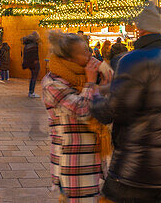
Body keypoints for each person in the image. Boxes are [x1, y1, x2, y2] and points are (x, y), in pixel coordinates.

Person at [89, 3, 161, 202]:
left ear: (139, 28)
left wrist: (93, 95)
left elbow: (113, 111)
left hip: (136, 168)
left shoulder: (134, 60)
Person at [42, 31, 111, 201]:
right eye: (84, 53)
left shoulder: (79, 77)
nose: (90, 55)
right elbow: (83, 111)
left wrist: (104, 83)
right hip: (72, 162)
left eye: (88, 50)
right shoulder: (52, 83)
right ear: (70, 59)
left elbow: (100, 104)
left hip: (90, 159)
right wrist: (90, 81)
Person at [22, 31, 42, 98]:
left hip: (29, 63)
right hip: (34, 63)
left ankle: (31, 91)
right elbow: (35, 55)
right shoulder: (34, 45)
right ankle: (31, 92)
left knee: (33, 77)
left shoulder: (27, 45)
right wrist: (36, 61)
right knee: (34, 77)